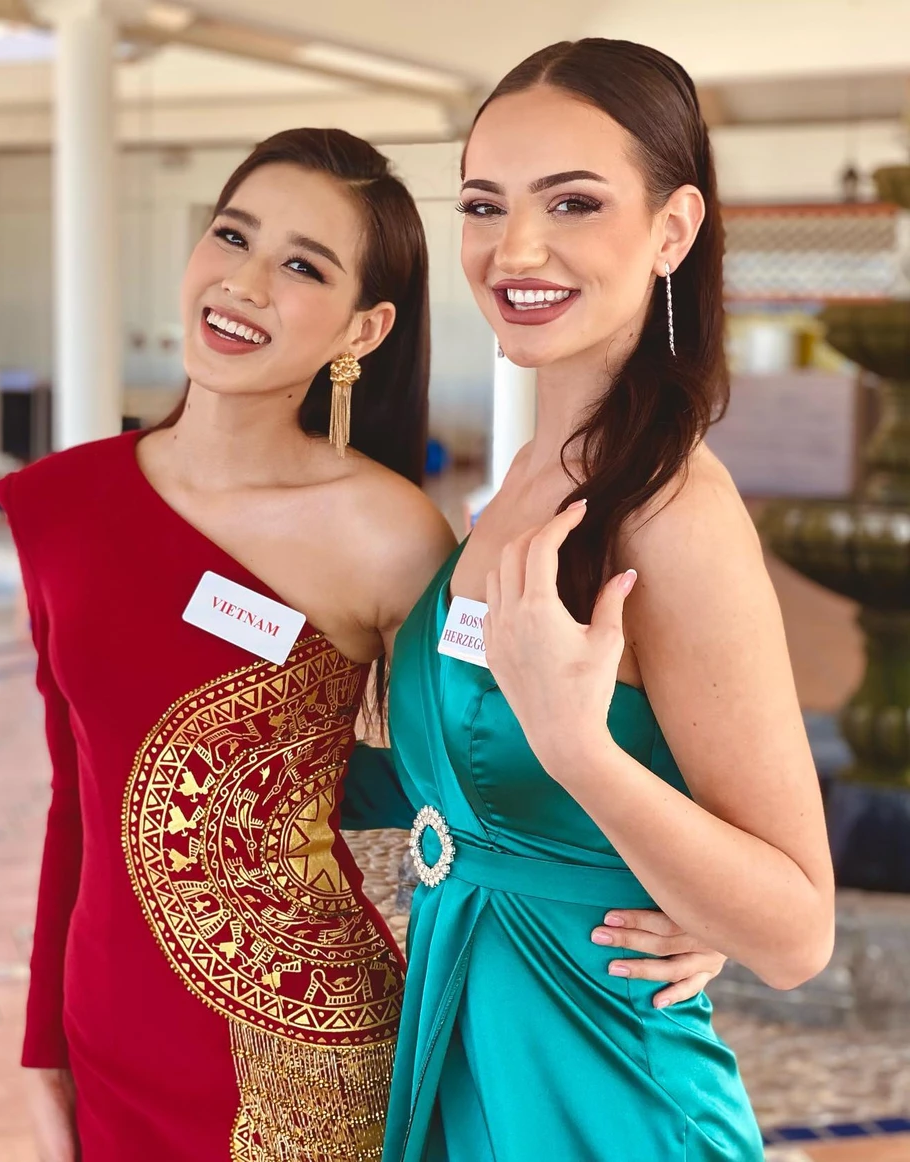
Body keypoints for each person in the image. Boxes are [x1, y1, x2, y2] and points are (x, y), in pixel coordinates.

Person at [0, 125, 733, 1162]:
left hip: (310, 1056)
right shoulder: (59, 505)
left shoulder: (389, 535)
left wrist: (687, 898)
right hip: (107, 1031)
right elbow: (77, 790)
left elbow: (481, 757)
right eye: (232, 235)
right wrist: (44, 1045)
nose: (246, 282)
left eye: (303, 266)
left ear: (363, 327)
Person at [376, 39, 835, 1162]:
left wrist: (582, 751)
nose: (515, 249)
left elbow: (795, 932)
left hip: (607, 1100)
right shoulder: (528, 477)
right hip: (470, 1046)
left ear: (672, 230)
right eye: (484, 205)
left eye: (572, 203)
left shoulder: (672, 511)